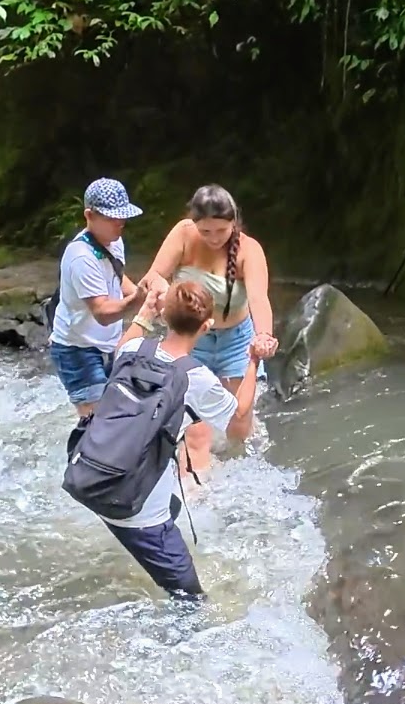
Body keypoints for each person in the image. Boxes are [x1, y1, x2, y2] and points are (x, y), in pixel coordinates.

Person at [88, 280, 257, 598]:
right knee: (192, 600)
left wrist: (146, 312)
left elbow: (120, 350)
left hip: (93, 478)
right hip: (138, 510)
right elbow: (240, 421)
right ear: (206, 326)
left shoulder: (132, 349)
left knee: (175, 503)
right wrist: (253, 361)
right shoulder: (197, 378)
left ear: (164, 317)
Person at [142, 184, 277, 471]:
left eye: (221, 231)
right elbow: (153, 275)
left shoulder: (248, 250)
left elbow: (258, 298)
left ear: (233, 222)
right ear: (194, 223)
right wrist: (160, 287)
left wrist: (264, 336)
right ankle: (192, 475)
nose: (213, 238)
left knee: (238, 429)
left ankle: (238, 476)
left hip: (236, 339)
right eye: (205, 232)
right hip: (190, 337)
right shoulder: (183, 233)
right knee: (189, 419)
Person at [49, 177, 150, 415]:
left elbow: (117, 275)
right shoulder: (81, 257)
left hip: (106, 346)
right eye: (111, 218)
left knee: (114, 416)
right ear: (89, 216)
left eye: (122, 216)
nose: (120, 223)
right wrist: (138, 301)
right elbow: (102, 313)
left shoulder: (114, 242)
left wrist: (143, 294)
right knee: (95, 425)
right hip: (77, 351)